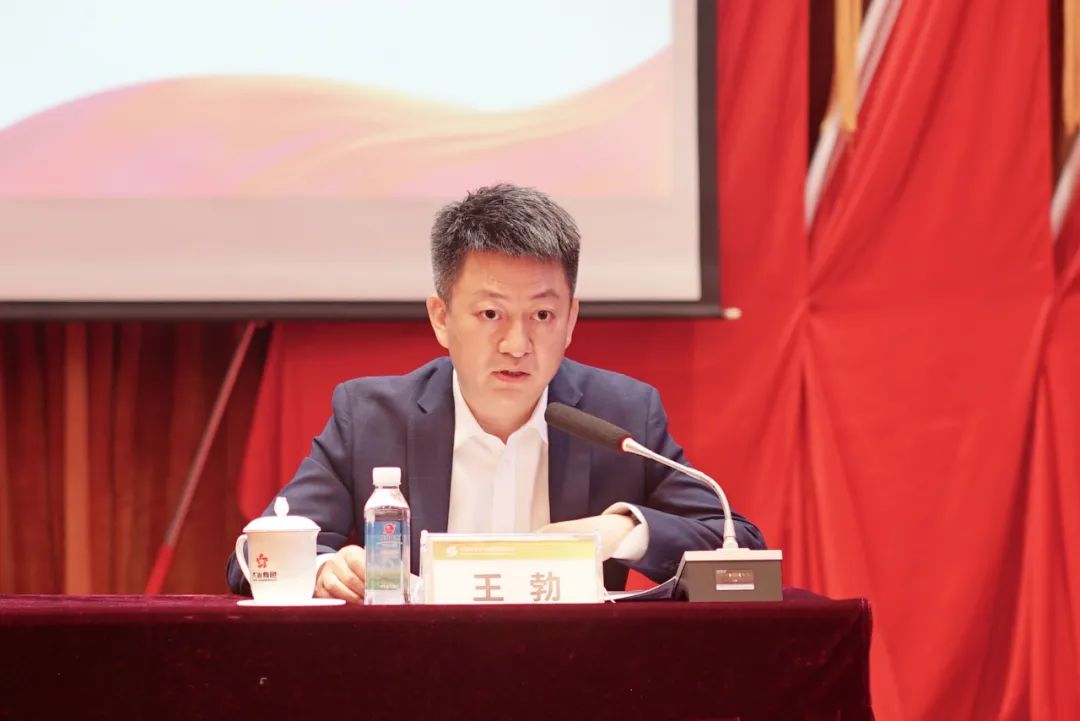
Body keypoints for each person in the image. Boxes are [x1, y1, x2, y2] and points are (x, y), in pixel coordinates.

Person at [226, 183, 764, 600]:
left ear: (571, 320)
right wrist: (325, 568)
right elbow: (252, 556)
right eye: (490, 314)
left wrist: (621, 530)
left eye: (542, 315)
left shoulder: (621, 415)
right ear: (441, 317)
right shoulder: (371, 416)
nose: (516, 344)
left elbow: (737, 543)